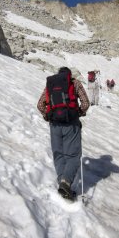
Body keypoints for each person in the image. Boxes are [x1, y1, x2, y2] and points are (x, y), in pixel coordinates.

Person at [37, 67, 90, 200]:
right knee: (72, 155)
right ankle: (65, 183)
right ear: (69, 74)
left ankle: (63, 184)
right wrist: (77, 113)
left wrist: (47, 116)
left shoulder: (51, 84)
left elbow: (40, 105)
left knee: (58, 154)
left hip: (54, 125)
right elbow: (85, 103)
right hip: (71, 124)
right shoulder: (75, 83)